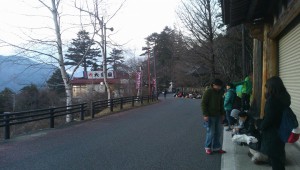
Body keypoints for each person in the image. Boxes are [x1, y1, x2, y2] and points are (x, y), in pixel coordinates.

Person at [256, 76, 290, 170]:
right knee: (279, 159)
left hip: (273, 134)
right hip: (281, 131)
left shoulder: (272, 101)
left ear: (272, 87)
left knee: (275, 160)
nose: (266, 89)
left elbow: (268, 120)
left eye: (267, 87)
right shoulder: (285, 98)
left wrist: (259, 124)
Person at [201, 79, 226, 155]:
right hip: (210, 115)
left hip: (218, 115)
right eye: (217, 86)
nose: (219, 87)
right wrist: (205, 114)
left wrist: (222, 114)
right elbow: (203, 103)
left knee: (218, 132)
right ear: (213, 85)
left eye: (220, 86)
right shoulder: (208, 91)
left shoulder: (220, 92)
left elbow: (222, 103)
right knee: (211, 132)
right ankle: (207, 147)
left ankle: (216, 148)